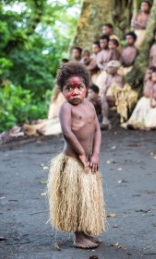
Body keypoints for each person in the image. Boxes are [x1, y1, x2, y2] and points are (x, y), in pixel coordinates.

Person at [47, 62, 105, 249]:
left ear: (86, 88)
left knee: (86, 198)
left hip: (89, 161)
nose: (74, 92)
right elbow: (67, 133)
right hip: (73, 161)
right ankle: (78, 237)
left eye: (79, 87)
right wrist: (81, 154)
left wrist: (95, 154)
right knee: (76, 199)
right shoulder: (66, 108)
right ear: (62, 91)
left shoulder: (89, 106)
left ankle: (84, 232)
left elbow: (97, 131)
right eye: (68, 88)